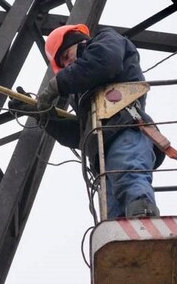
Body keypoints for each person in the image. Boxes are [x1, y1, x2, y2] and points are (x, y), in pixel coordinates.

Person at [10, 24, 162, 218]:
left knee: (129, 175)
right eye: (63, 66)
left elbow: (105, 62)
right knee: (113, 211)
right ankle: (126, 237)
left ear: (79, 41)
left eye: (66, 57)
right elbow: (80, 134)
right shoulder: (83, 94)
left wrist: (56, 85)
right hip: (103, 150)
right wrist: (45, 118)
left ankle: (145, 218)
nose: (67, 66)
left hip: (126, 129)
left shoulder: (106, 41)